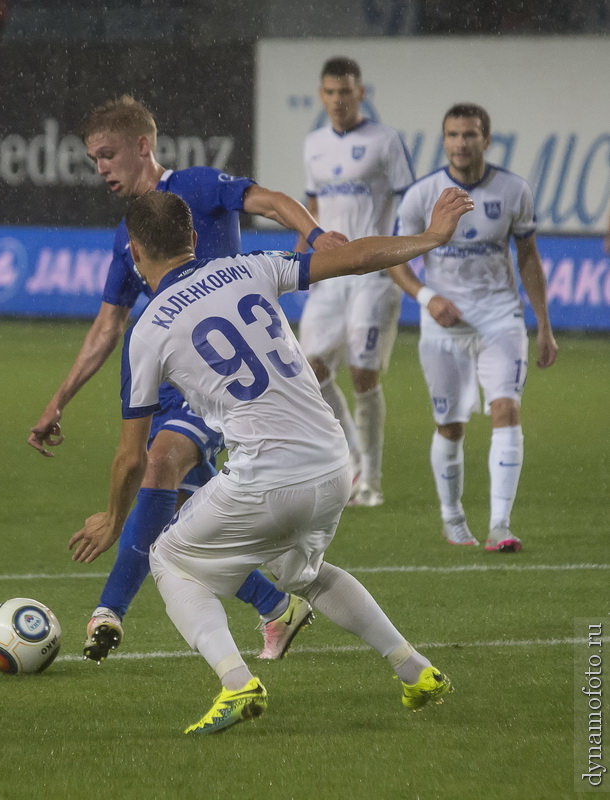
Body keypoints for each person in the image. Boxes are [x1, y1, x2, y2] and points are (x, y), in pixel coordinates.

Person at [69, 186, 473, 733]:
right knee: (296, 570)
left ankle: (237, 684)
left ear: (135, 254)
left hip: (268, 475)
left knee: (170, 558)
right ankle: (415, 670)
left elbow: (130, 457)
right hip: (334, 464)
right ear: (192, 239)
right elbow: (354, 257)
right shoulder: (249, 267)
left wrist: (115, 520)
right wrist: (430, 237)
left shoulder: (150, 329)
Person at [28, 96, 348, 663]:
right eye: (92, 159)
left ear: (142, 147)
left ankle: (108, 612)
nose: (100, 167)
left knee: (157, 464)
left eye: (108, 154)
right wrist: (59, 400)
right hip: (168, 383)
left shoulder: (198, 187)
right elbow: (108, 325)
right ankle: (276, 605)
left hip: (221, 383)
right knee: (177, 514)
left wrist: (316, 234)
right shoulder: (129, 236)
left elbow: (270, 200)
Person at [389, 103, 558, 551]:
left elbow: (527, 257)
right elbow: (396, 261)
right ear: (443, 140)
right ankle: (452, 518)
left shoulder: (513, 190)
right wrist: (428, 297)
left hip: (500, 318)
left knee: (506, 409)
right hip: (444, 326)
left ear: (486, 138)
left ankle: (500, 524)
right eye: (452, 135)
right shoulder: (422, 195)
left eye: (469, 135)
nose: (460, 143)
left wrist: (543, 324)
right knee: (451, 425)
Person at [294, 56, 416, 507]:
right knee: (311, 372)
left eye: (346, 91)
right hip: (329, 276)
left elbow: (410, 204)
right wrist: (297, 261)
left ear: (361, 93)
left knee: (364, 373)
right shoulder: (314, 145)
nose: (338, 100)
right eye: (330, 92)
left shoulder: (385, 141)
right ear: (321, 96)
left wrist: (404, 254)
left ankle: (373, 480)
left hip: (373, 275)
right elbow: (310, 210)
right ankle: (351, 464)